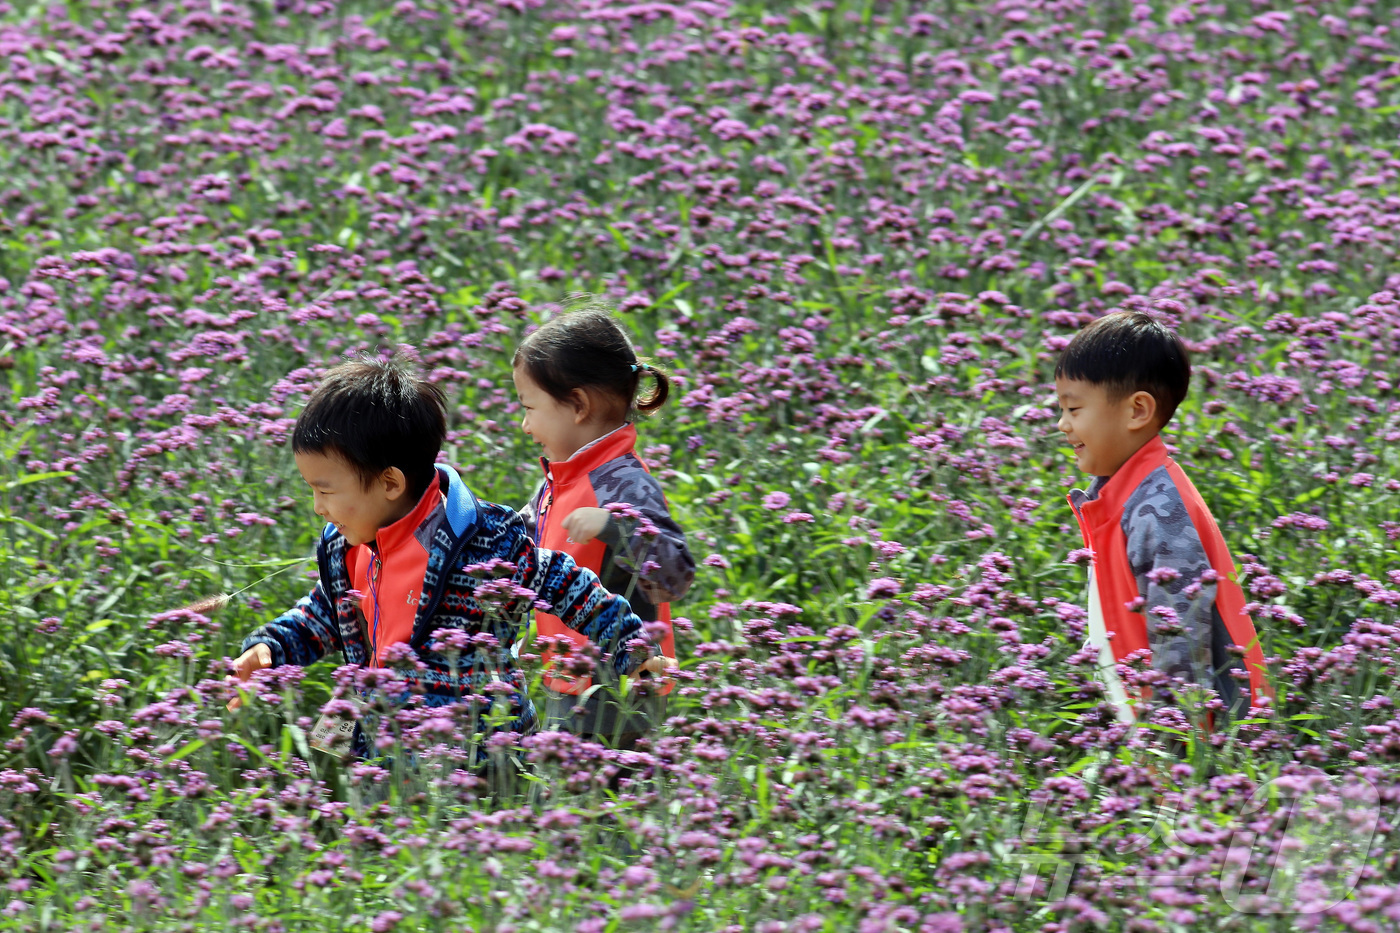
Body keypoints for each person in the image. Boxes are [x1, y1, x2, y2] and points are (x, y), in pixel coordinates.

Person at [229, 347, 674, 772]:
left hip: (469, 741)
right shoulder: (348, 547)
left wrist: (630, 646)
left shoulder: (485, 546)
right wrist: (272, 647)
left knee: (458, 815)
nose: (317, 507)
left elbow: (564, 583)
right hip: (363, 712)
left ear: (389, 483)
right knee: (322, 773)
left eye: (324, 491)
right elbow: (325, 613)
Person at [1055, 311, 1272, 733]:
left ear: (1137, 410)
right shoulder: (1118, 497)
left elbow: (1181, 651)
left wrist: (1169, 759)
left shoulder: (1159, 510)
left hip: (1202, 754)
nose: (1063, 424)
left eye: (1074, 408)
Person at [512, 307, 695, 753]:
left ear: (578, 405)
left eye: (530, 408)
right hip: (572, 678)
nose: (525, 425)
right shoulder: (560, 481)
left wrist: (615, 525)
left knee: (604, 803)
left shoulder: (623, 483)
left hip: (620, 690)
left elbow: (676, 572)